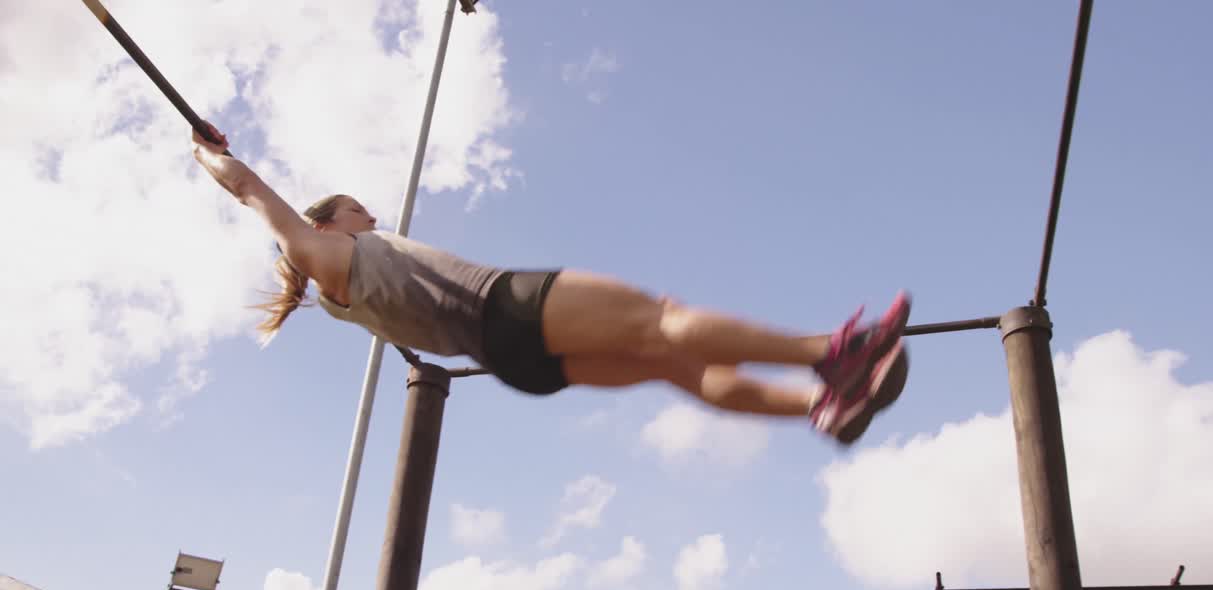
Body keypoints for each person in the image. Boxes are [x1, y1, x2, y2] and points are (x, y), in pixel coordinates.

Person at [191, 123, 911, 446]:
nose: (372, 213)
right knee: (663, 321)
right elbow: (252, 190)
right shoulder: (328, 254)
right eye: (357, 210)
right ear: (328, 223)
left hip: (509, 362)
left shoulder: (341, 302)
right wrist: (212, 154)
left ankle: (817, 406)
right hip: (507, 305)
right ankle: (830, 355)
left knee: (670, 364)